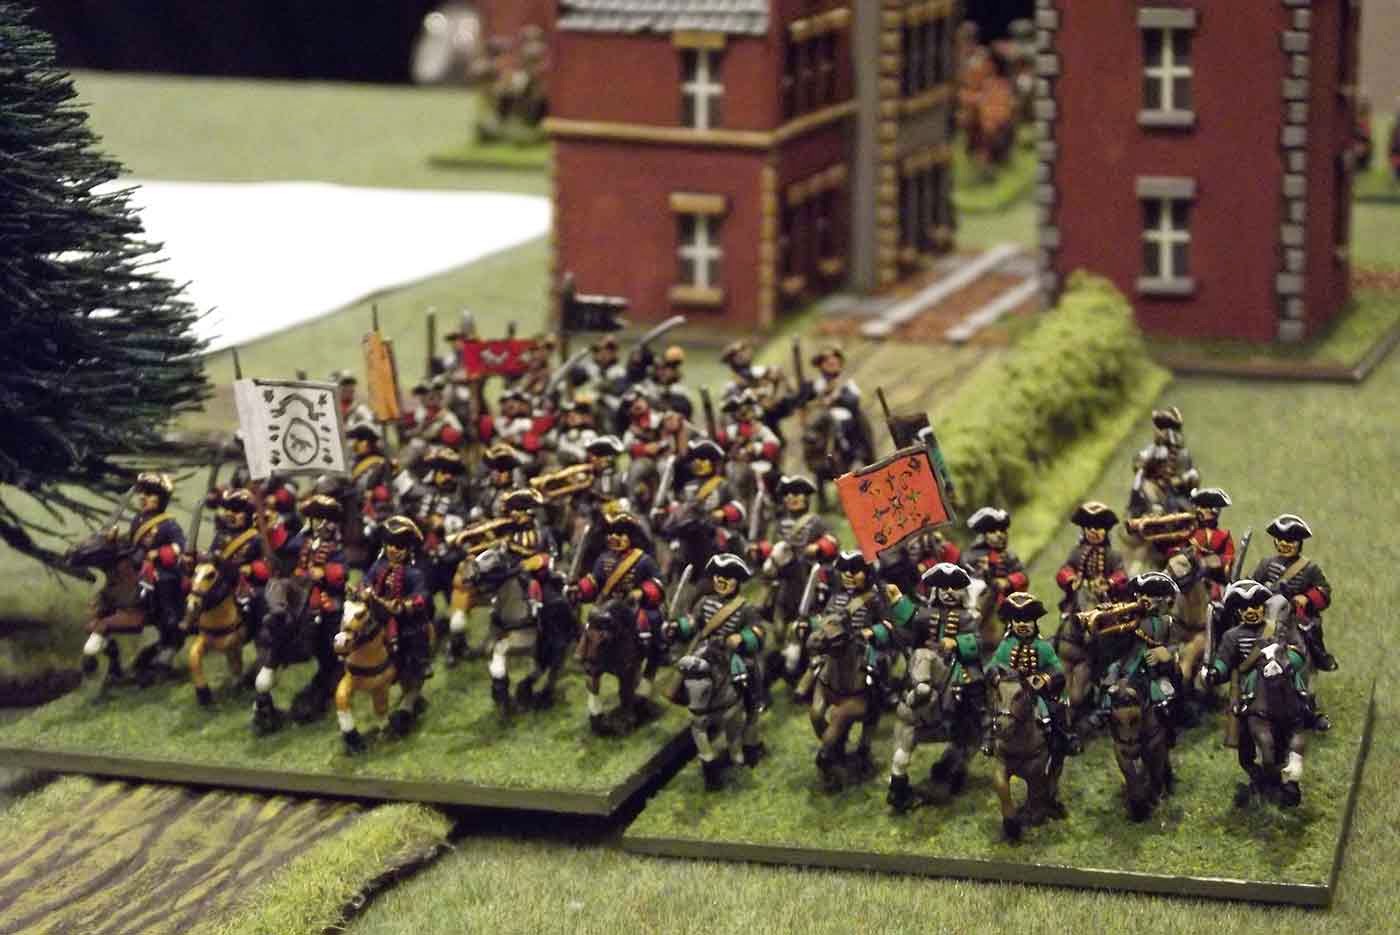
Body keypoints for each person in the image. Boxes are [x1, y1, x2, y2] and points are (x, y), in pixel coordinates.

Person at [1249, 513, 1335, 730]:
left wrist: (1306, 598)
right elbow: (1251, 586)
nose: (1285, 544)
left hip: (1297, 618)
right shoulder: (1266, 564)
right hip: (1267, 617)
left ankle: (1309, 704)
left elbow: (1324, 592)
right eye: (1281, 539)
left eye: (1290, 540)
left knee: (1308, 639)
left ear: (1299, 543)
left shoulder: (1310, 569)